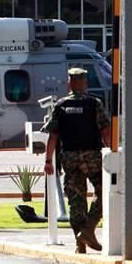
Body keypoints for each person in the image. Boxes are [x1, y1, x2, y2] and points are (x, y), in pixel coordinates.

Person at [44, 67, 110, 254]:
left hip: (70, 158)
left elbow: (53, 136)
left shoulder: (61, 106)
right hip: (92, 157)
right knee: (105, 191)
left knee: (76, 200)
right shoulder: (94, 104)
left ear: (69, 83)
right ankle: (88, 228)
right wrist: (114, 152)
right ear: (85, 83)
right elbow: (106, 132)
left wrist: (49, 160)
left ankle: (80, 242)